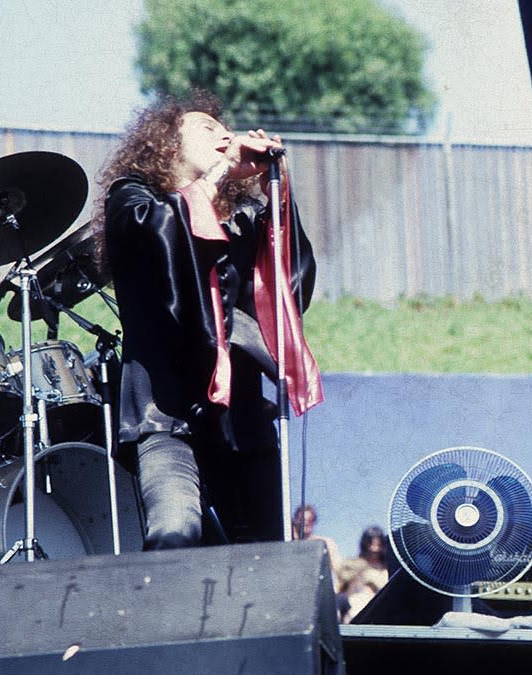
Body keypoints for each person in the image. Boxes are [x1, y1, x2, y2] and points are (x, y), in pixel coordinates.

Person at [100, 91, 321, 549]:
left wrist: (275, 193)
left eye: (226, 128)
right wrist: (220, 176)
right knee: (174, 532)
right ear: (167, 143)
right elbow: (158, 241)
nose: (224, 134)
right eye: (206, 128)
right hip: (166, 415)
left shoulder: (243, 218)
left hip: (240, 419)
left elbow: (288, 289)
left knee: (267, 549)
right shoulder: (134, 199)